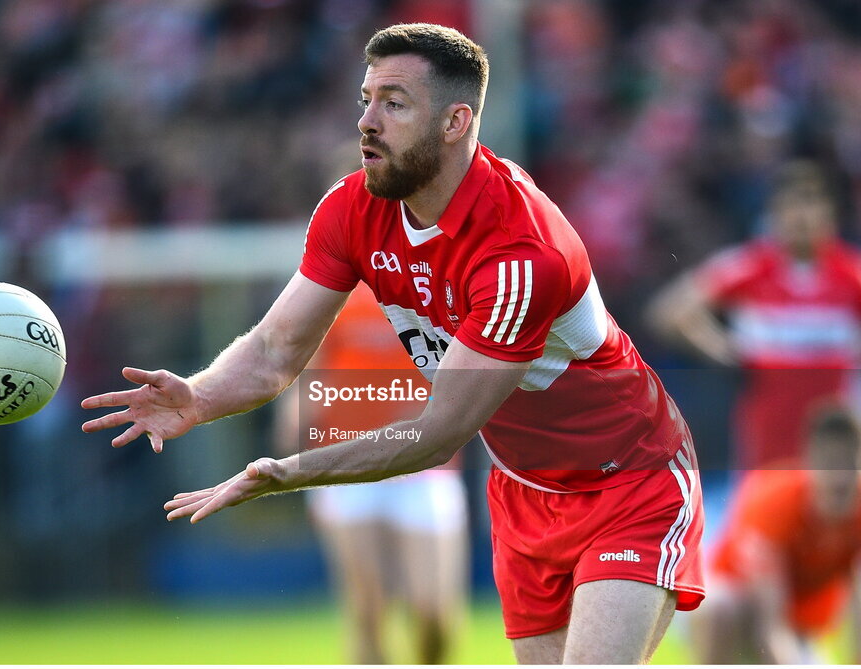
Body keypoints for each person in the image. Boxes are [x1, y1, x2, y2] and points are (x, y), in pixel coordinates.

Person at [81, 23, 704, 664]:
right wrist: (200, 396)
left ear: (456, 121)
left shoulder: (521, 254)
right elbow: (273, 352)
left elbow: (438, 431)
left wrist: (285, 472)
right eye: (366, 98)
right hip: (523, 490)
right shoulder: (352, 208)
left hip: (628, 480)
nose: (367, 121)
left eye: (394, 103)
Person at [274, 284, 468, 664]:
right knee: (368, 608)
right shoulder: (336, 291)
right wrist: (295, 415)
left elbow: (459, 372)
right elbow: (316, 368)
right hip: (348, 464)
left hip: (422, 464)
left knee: (434, 612)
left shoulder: (434, 285)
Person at [648, 161, 861, 470]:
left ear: (830, 214)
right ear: (775, 215)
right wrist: (723, 348)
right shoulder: (750, 267)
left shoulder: (850, 273)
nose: (801, 216)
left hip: (834, 460)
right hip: (767, 454)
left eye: (811, 203)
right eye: (790, 206)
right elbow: (670, 312)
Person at [692, 406, 861, 664]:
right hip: (744, 611)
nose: (839, 479)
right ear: (811, 461)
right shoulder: (774, 502)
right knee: (720, 606)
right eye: (830, 464)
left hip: (797, 624)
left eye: (848, 464)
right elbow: (770, 625)